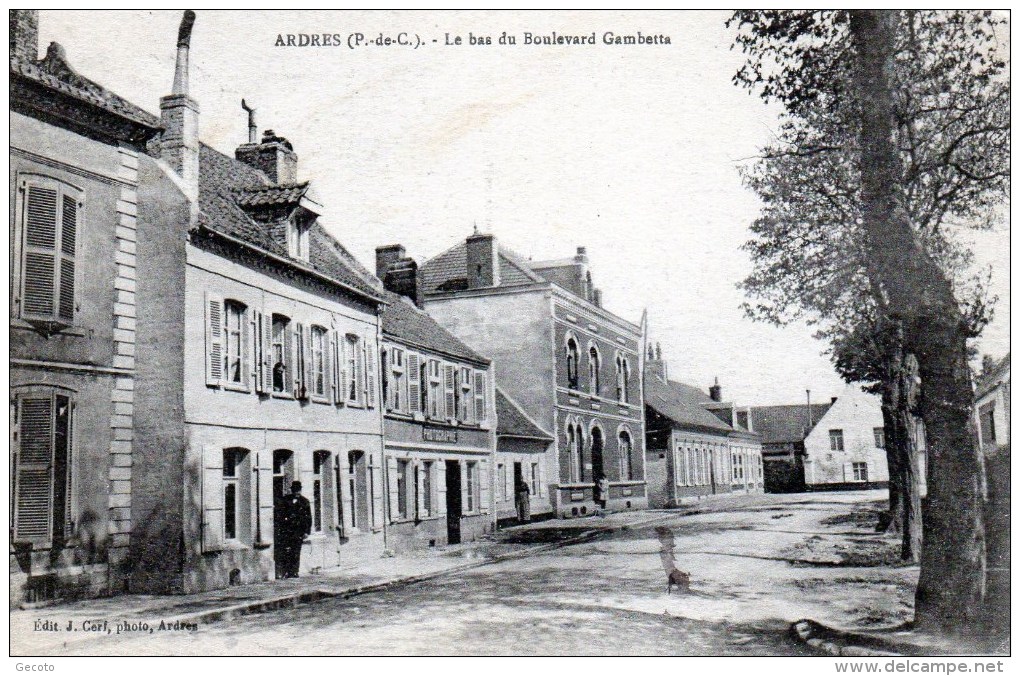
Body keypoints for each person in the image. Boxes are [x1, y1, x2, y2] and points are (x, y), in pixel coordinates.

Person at [275, 481, 312, 579]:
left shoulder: (305, 502)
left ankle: (295, 571)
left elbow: (309, 518)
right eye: (295, 490)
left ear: (301, 490)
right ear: (292, 490)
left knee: (296, 551)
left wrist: (306, 532)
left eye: (298, 490)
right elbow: (280, 515)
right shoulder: (285, 500)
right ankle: (286, 571)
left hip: (298, 531)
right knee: (286, 551)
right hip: (287, 531)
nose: (297, 492)